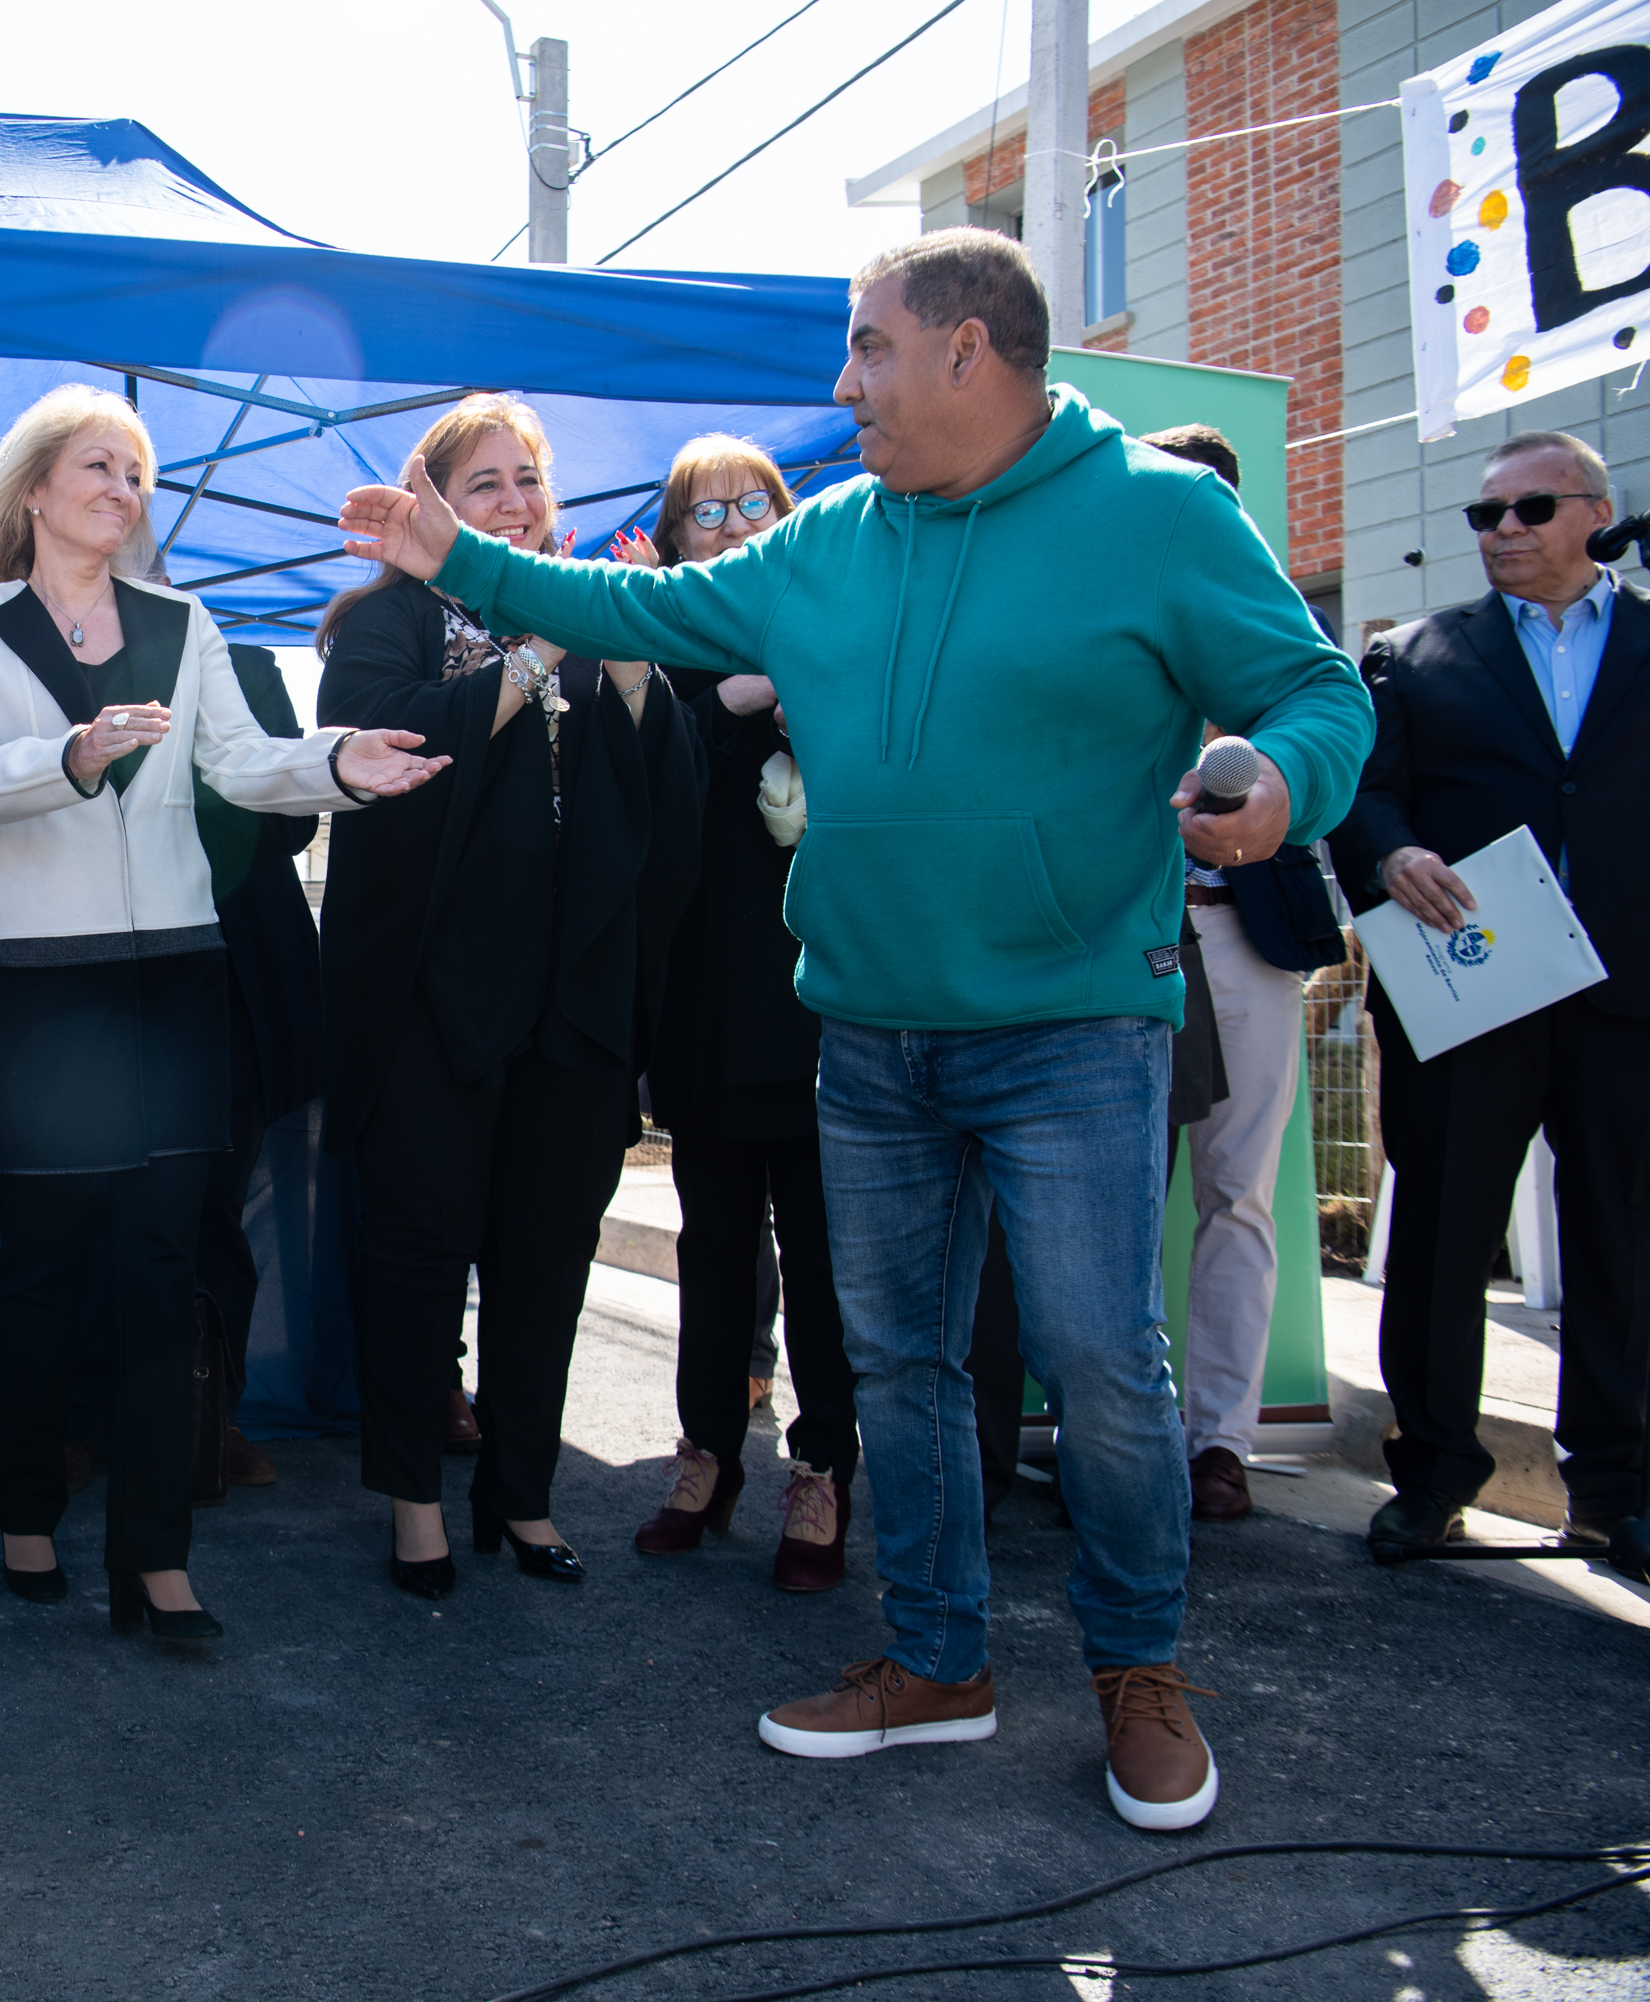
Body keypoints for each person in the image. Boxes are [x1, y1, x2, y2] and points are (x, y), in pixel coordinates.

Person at [336, 227, 1372, 1831]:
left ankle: (1138, 1669)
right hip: (870, 1036)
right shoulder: (830, 541)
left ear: (971, 350)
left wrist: (1277, 783)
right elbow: (640, 603)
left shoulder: (1159, 516)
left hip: (1073, 1026)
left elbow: (1319, 688)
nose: (844, 382)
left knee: (1100, 1363)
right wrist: (451, 554)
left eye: (871, 348)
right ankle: (938, 1657)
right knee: (900, 1364)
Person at [0, 385, 440, 1638]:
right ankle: (27, 1516)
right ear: (35, 489)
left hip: (172, 987)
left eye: (138, 472)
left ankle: (157, 1555)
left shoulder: (183, 618)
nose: (123, 487)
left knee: (161, 1272)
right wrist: (73, 756)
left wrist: (335, 763)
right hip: (40, 995)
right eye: (99, 465)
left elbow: (237, 763)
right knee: (43, 1273)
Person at [317, 392, 699, 1602]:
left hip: (571, 1001)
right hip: (430, 1002)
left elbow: (669, 806)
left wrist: (631, 669)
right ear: (433, 504)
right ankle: (417, 1503)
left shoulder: (600, 629)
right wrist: (526, 653)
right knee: (420, 1254)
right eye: (485, 484)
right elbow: (381, 752)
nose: (516, 504)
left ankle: (523, 1497)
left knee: (547, 1258)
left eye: (529, 481)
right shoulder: (387, 619)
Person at [1333, 429, 1650, 1561]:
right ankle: (1431, 1475)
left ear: (1596, 514)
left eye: (1528, 508)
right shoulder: (1415, 652)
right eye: (1484, 515)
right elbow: (1362, 796)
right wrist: (1394, 855)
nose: (1502, 531)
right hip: (1473, 989)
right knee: (1442, 1238)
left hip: (1625, 993)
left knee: (1623, 1239)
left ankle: (1616, 1487)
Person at [621, 436, 860, 1593]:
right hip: (709, 1009)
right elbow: (656, 790)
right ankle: (708, 1453)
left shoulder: (845, 635)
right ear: (672, 544)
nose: (733, 524)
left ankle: (823, 1469)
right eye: (704, 511)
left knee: (823, 1258)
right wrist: (746, 692)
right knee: (714, 1246)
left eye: (754, 504)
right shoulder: (662, 662)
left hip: (830, 1007)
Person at [1135, 423, 1349, 1525]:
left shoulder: (1285, 635)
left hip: (1247, 937)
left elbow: (1333, 754)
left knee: (1239, 1195)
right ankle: (1117, 1444)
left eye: (1212, 500)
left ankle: (1219, 1440)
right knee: (1114, 1200)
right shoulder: (1107, 607)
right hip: (1126, 941)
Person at [193, 634, 328, 1487]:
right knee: (91, 1213)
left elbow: (295, 820)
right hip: (103, 984)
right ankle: (88, 1419)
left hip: (235, 985)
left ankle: (212, 1414)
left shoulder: (243, 667)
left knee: (213, 1210)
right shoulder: (44, 662)